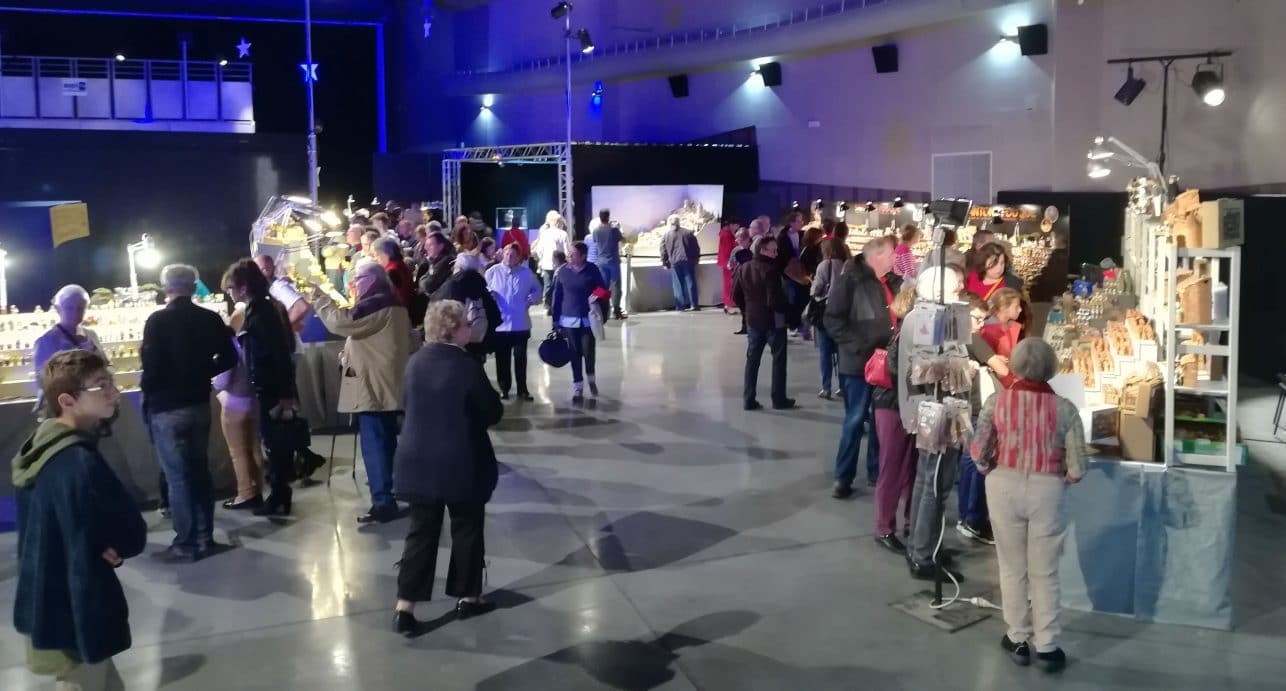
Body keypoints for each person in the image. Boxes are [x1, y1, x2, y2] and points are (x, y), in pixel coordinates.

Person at [12, 350, 146, 691]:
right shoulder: (79, 462)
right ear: (67, 400)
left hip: (48, 596)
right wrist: (108, 544)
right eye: (101, 385)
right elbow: (130, 532)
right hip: (78, 602)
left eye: (111, 381)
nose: (113, 391)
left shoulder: (40, 448)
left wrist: (97, 542)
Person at [970, 338, 1085, 674]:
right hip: (1047, 488)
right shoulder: (1064, 408)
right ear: (1051, 368)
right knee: (1045, 569)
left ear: (1016, 365)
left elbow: (978, 454)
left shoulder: (997, 402)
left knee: (1011, 565)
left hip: (1003, 484)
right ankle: (1047, 644)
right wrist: (1063, 473)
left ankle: (1017, 636)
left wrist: (990, 466)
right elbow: (1078, 468)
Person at [391, 300, 503, 635]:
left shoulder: (414, 363)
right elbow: (491, 412)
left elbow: (405, 407)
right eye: (466, 324)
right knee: (466, 528)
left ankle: (404, 607)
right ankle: (468, 597)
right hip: (461, 462)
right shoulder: (466, 365)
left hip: (417, 462)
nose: (470, 328)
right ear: (453, 329)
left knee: (420, 534)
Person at [142, 265, 237, 562]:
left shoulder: (157, 320)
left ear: (165, 287)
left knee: (178, 477)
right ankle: (204, 536)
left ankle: (185, 541)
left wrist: (150, 393)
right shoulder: (209, 318)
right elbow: (230, 356)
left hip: (166, 406)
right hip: (198, 403)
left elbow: (152, 367)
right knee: (199, 472)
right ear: (194, 286)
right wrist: (203, 372)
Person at [310, 261, 411, 525]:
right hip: (385, 383)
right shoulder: (391, 302)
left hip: (373, 387)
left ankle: (383, 503)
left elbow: (343, 324)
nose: (354, 283)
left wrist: (320, 300)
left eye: (358, 278)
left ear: (372, 279)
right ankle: (391, 492)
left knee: (375, 445)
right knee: (386, 441)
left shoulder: (376, 303)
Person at [222, 259, 300, 519]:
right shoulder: (267, 308)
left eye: (232, 287)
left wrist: (285, 393)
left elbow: (277, 353)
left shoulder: (260, 312)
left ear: (243, 288)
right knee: (274, 444)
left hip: (271, 388)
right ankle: (279, 494)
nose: (230, 293)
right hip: (272, 386)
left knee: (274, 444)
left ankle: (279, 495)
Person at [823, 236, 899, 499]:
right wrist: (860, 346)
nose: (894, 259)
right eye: (890, 254)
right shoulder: (851, 280)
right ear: (876, 256)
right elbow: (832, 320)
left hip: (886, 363)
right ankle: (843, 476)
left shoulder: (892, 282)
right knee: (855, 420)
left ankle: (876, 471)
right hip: (858, 365)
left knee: (881, 421)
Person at [253, 255, 328, 480]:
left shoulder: (278, 286)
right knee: (285, 408)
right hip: (287, 351)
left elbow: (301, 306)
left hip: (287, 352)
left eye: (262, 268)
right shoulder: (271, 288)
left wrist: (282, 327)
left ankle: (295, 459)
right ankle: (301, 456)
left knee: (284, 407)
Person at [957, 293, 1011, 546]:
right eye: (977, 319)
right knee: (979, 462)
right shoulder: (974, 339)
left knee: (969, 461)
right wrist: (995, 363)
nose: (981, 324)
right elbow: (1003, 370)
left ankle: (967, 516)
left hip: (963, 406)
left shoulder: (954, 337)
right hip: (977, 408)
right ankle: (975, 519)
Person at [872, 287, 920, 554]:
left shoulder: (906, 333)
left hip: (905, 405)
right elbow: (898, 373)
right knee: (892, 468)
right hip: (891, 406)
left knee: (911, 466)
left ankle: (910, 520)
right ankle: (884, 527)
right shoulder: (904, 336)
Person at [733, 235, 792, 411]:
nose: (775, 253)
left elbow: (736, 295)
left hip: (753, 320)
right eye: (773, 250)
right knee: (779, 361)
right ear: (762, 250)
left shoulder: (743, 268)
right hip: (774, 321)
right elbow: (774, 300)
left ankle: (748, 399)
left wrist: (747, 309)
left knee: (752, 361)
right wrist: (790, 311)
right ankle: (778, 399)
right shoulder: (771, 270)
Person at [213, 330, 264, 511]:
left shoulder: (227, 351)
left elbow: (222, 381)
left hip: (234, 405)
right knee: (254, 447)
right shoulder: (246, 345)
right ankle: (260, 488)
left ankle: (245, 493)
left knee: (238, 453)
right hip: (252, 402)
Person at [486, 243, 543, 401]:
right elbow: (484, 290)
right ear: (502, 255)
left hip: (520, 323)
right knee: (502, 358)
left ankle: (522, 389)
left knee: (520, 358)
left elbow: (538, 289)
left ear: (519, 257)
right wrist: (489, 295)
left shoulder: (526, 273)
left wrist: (533, 299)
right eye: (507, 254)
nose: (509, 258)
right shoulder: (493, 272)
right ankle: (504, 388)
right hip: (501, 324)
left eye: (513, 255)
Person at [551, 241, 606, 402]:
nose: (569, 256)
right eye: (569, 253)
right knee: (574, 354)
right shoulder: (562, 272)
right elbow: (557, 297)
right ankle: (578, 386)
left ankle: (591, 380)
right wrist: (555, 321)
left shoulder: (592, 269)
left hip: (588, 319)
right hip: (568, 320)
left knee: (588, 352)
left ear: (583, 256)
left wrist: (595, 295)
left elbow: (603, 289)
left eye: (573, 254)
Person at [432, 252, 502, 364]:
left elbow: (436, 306)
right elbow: (495, 316)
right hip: (478, 344)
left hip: (454, 343)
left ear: (458, 268)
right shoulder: (481, 286)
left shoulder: (451, 286)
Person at [809, 236, 850, 399]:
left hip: (825, 313)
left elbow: (817, 289)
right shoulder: (848, 265)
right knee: (841, 352)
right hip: (843, 313)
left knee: (825, 352)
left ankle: (826, 387)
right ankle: (842, 386)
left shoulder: (824, 265)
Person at [660, 214, 701, 311]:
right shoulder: (688, 232)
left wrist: (665, 262)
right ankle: (694, 305)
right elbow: (696, 248)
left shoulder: (666, 235)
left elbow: (663, 250)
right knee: (691, 283)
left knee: (678, 284)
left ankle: (680, 306)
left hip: (674, 262)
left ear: (670, 222)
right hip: (688, 261)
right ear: (679, 222)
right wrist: (696, 259)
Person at [591, 208, 627, 320]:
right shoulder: (614, 230)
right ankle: (616, 311)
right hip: (613, 262)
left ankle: (602, 309)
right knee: (616, 287)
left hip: (601, 261)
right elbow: (623, 240)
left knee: (602, 287)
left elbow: (596, 242)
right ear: (608, 217)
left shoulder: (596, 231)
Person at [533, 210, 570, 308]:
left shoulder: (544, 234)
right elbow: (567, 251)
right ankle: (559, 304)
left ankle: (547, 305)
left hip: (547, 263)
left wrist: (541, 259)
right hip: (561, 264)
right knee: (561, 284)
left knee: (548, 285)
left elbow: (539, 250)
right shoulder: (563, 234)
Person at [374, 236, 415, 308]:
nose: (375, 259)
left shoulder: (391, 271)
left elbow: (390, 297)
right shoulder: (401, 264)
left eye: (377, 255)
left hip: (399, 311)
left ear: (385, 254)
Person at [417, 231, 457, 300]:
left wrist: (423, 280)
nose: (426, 248)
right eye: (426, 245)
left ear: (441, 246)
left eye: (430, 245)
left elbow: (428, 286)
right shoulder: (435, 262)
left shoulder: (446, 262)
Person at [728, 228, 754, 335]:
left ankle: (749, 326)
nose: (736, 241)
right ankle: (745, 326)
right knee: (739, 299)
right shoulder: (736, 250)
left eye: (738, 238)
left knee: (747, 302)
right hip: (739, 278)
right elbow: (730, 264)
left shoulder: (753, 248)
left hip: (749, 280)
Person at [717, 218, 740, 315]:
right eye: (736, 225)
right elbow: (728, 250)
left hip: (727, 262)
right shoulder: (727, 235)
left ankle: (728, 305)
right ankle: (728, 305)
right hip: (728, 263)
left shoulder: (725, 233)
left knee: (728, 284)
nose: (737, 227)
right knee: (729, 285)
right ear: (731, 225)